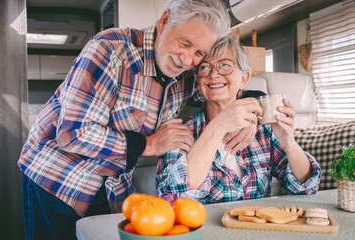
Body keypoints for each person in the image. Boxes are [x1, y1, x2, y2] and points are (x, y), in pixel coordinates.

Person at [18, 1, 261, 239]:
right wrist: (151, 144)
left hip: (115, 187)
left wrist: (252, 111)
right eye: (184, 43)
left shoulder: (187, 74)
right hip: (58, 178)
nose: (187, 61)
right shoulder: (109, 49)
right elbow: (73, 134)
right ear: (165, 20)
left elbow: (220, 90)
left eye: (199, 53)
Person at [156, 36, 321, 204]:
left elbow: (306, 186)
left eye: (225, 65)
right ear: (198, 81)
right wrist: (218, 126)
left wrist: (289, 143)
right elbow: (173, 198)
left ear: (244, 78)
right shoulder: (181, 134)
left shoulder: (262, 129)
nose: (213, 74)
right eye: (204, 67)